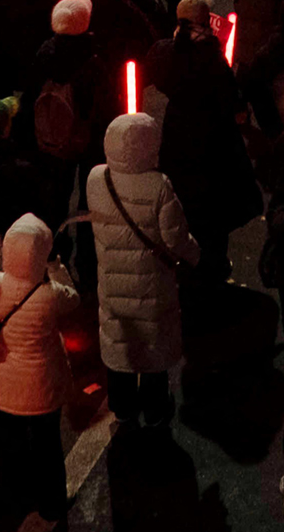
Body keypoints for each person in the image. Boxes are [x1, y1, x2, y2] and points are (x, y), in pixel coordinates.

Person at [84, 108, 200, 425]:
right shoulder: (159, 186)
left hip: (112, 282)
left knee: (120, 339)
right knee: (152, 342)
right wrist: (196, 255)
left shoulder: (97, 179)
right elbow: (175, 239)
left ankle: (122, 405)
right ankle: (155, 406)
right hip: (152, 284)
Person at [0, 212, 75, 528]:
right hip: (44, 388)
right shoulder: (50, 296)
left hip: (6, 388)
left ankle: (17, 501)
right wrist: (56, 268)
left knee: (12, 448)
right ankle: (53, 505)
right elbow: (73, 299)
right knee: (49, 448)